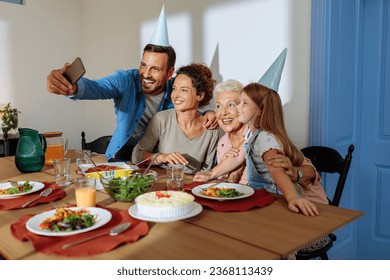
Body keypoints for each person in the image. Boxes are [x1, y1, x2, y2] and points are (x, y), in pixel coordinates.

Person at [46, 6, 216, 161]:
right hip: (121, 153)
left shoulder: (175, 90)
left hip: (154, 157)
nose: (146, 74)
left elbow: (189, 107)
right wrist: (71, 87)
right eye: (143, 65)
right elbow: (96, 87)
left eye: (155, 69)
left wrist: (207, 113)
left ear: (170, 73)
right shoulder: (126, 80)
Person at [131, 63, 219, 174]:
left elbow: (207, 171)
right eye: (174, 89)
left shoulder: (211, 128)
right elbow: (136, 155)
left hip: (191, 187)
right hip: (161, 184)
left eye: (184, 90)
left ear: (200, 95)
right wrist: (162, 157)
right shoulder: (162, 119)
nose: (175, 95)